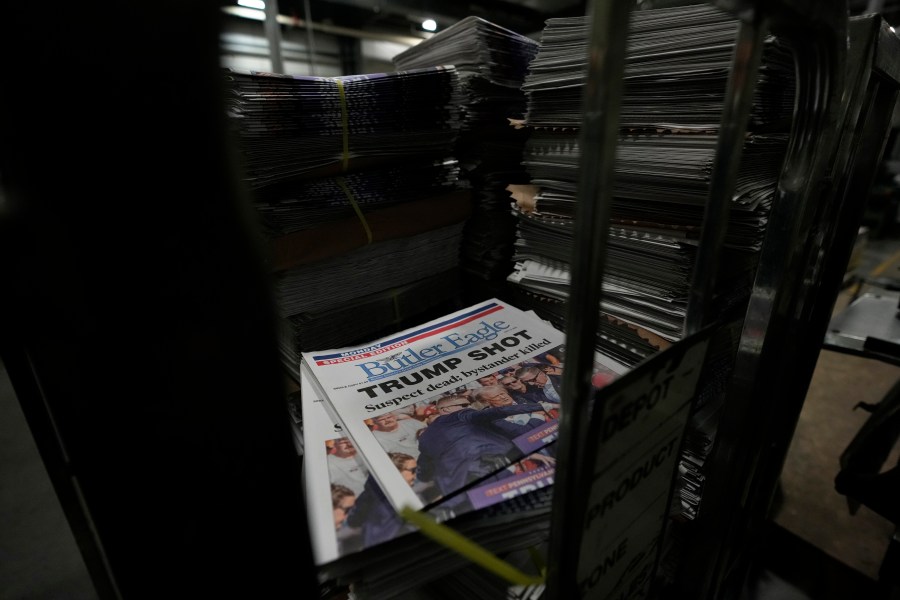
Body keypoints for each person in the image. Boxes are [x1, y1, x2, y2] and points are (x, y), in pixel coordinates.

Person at [415, 395, 550, 502]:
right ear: (445, 410)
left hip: (461, 492)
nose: (470, 407)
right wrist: (540, 408)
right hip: (492, 474)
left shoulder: (426, 437)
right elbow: (509, 420)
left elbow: (424, 473)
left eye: (469, 405)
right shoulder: (465, 416)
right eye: (464, 405)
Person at [346, 453, 418, 548]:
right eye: (413, 471)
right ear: (395, 473)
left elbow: (353, 521)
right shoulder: (390, 501)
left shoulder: (369, 493)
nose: (415, 476)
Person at [472, 384, 551, 436]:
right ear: (486, 402)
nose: (503, 397)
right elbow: (523, 432)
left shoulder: (523, 400)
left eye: (503, 393)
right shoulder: (492, 418)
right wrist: (537, 415)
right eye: (496, 396)